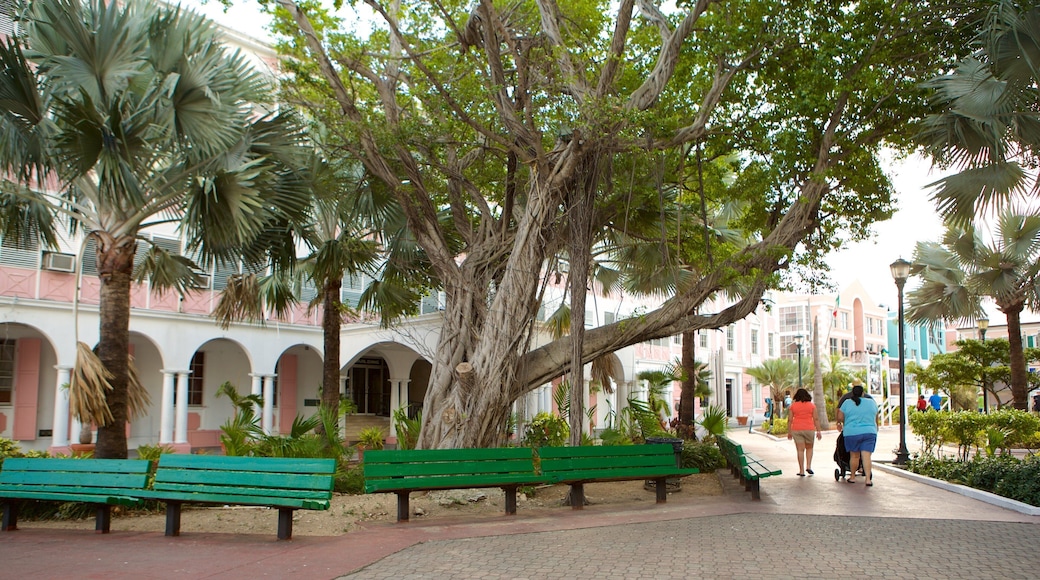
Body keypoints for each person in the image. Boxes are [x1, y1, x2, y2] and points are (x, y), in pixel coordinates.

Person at [837, 384, 879, 487]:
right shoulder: (871, 402)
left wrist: (843, 421)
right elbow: (876, 416)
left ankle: (852, 477)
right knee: (867, 456)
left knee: (854, 456)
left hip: (852, 432)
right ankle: (868, 479)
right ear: (863, 393)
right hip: (869, 431)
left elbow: (840, 417)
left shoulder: (847, 403)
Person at [786, 388, 822, 476]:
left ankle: (801, 470)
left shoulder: (793, 406)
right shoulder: (812, 406)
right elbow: (816, 419)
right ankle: (808, 466)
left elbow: (790, 420)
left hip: (797, 429)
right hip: (809, 429)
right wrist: (818, 431)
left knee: (800, 450)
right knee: (809, 448)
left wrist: (789, 432)